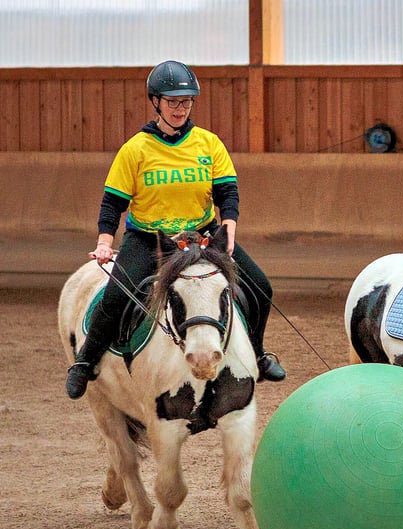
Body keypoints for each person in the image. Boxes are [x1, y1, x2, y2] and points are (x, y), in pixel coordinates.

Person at [65, 60, 285, 399]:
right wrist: (105, 242)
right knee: (114, 295)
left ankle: (257, 352)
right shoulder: (135, 149)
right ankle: (85, 361)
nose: (180, 108)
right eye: (172, 102)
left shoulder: (208, 144)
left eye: (186, 102)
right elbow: (112, 204)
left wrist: (228, 230)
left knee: (260, 286)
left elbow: (228, 193)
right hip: (150, 240)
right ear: (156, 102)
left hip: (203, 234)